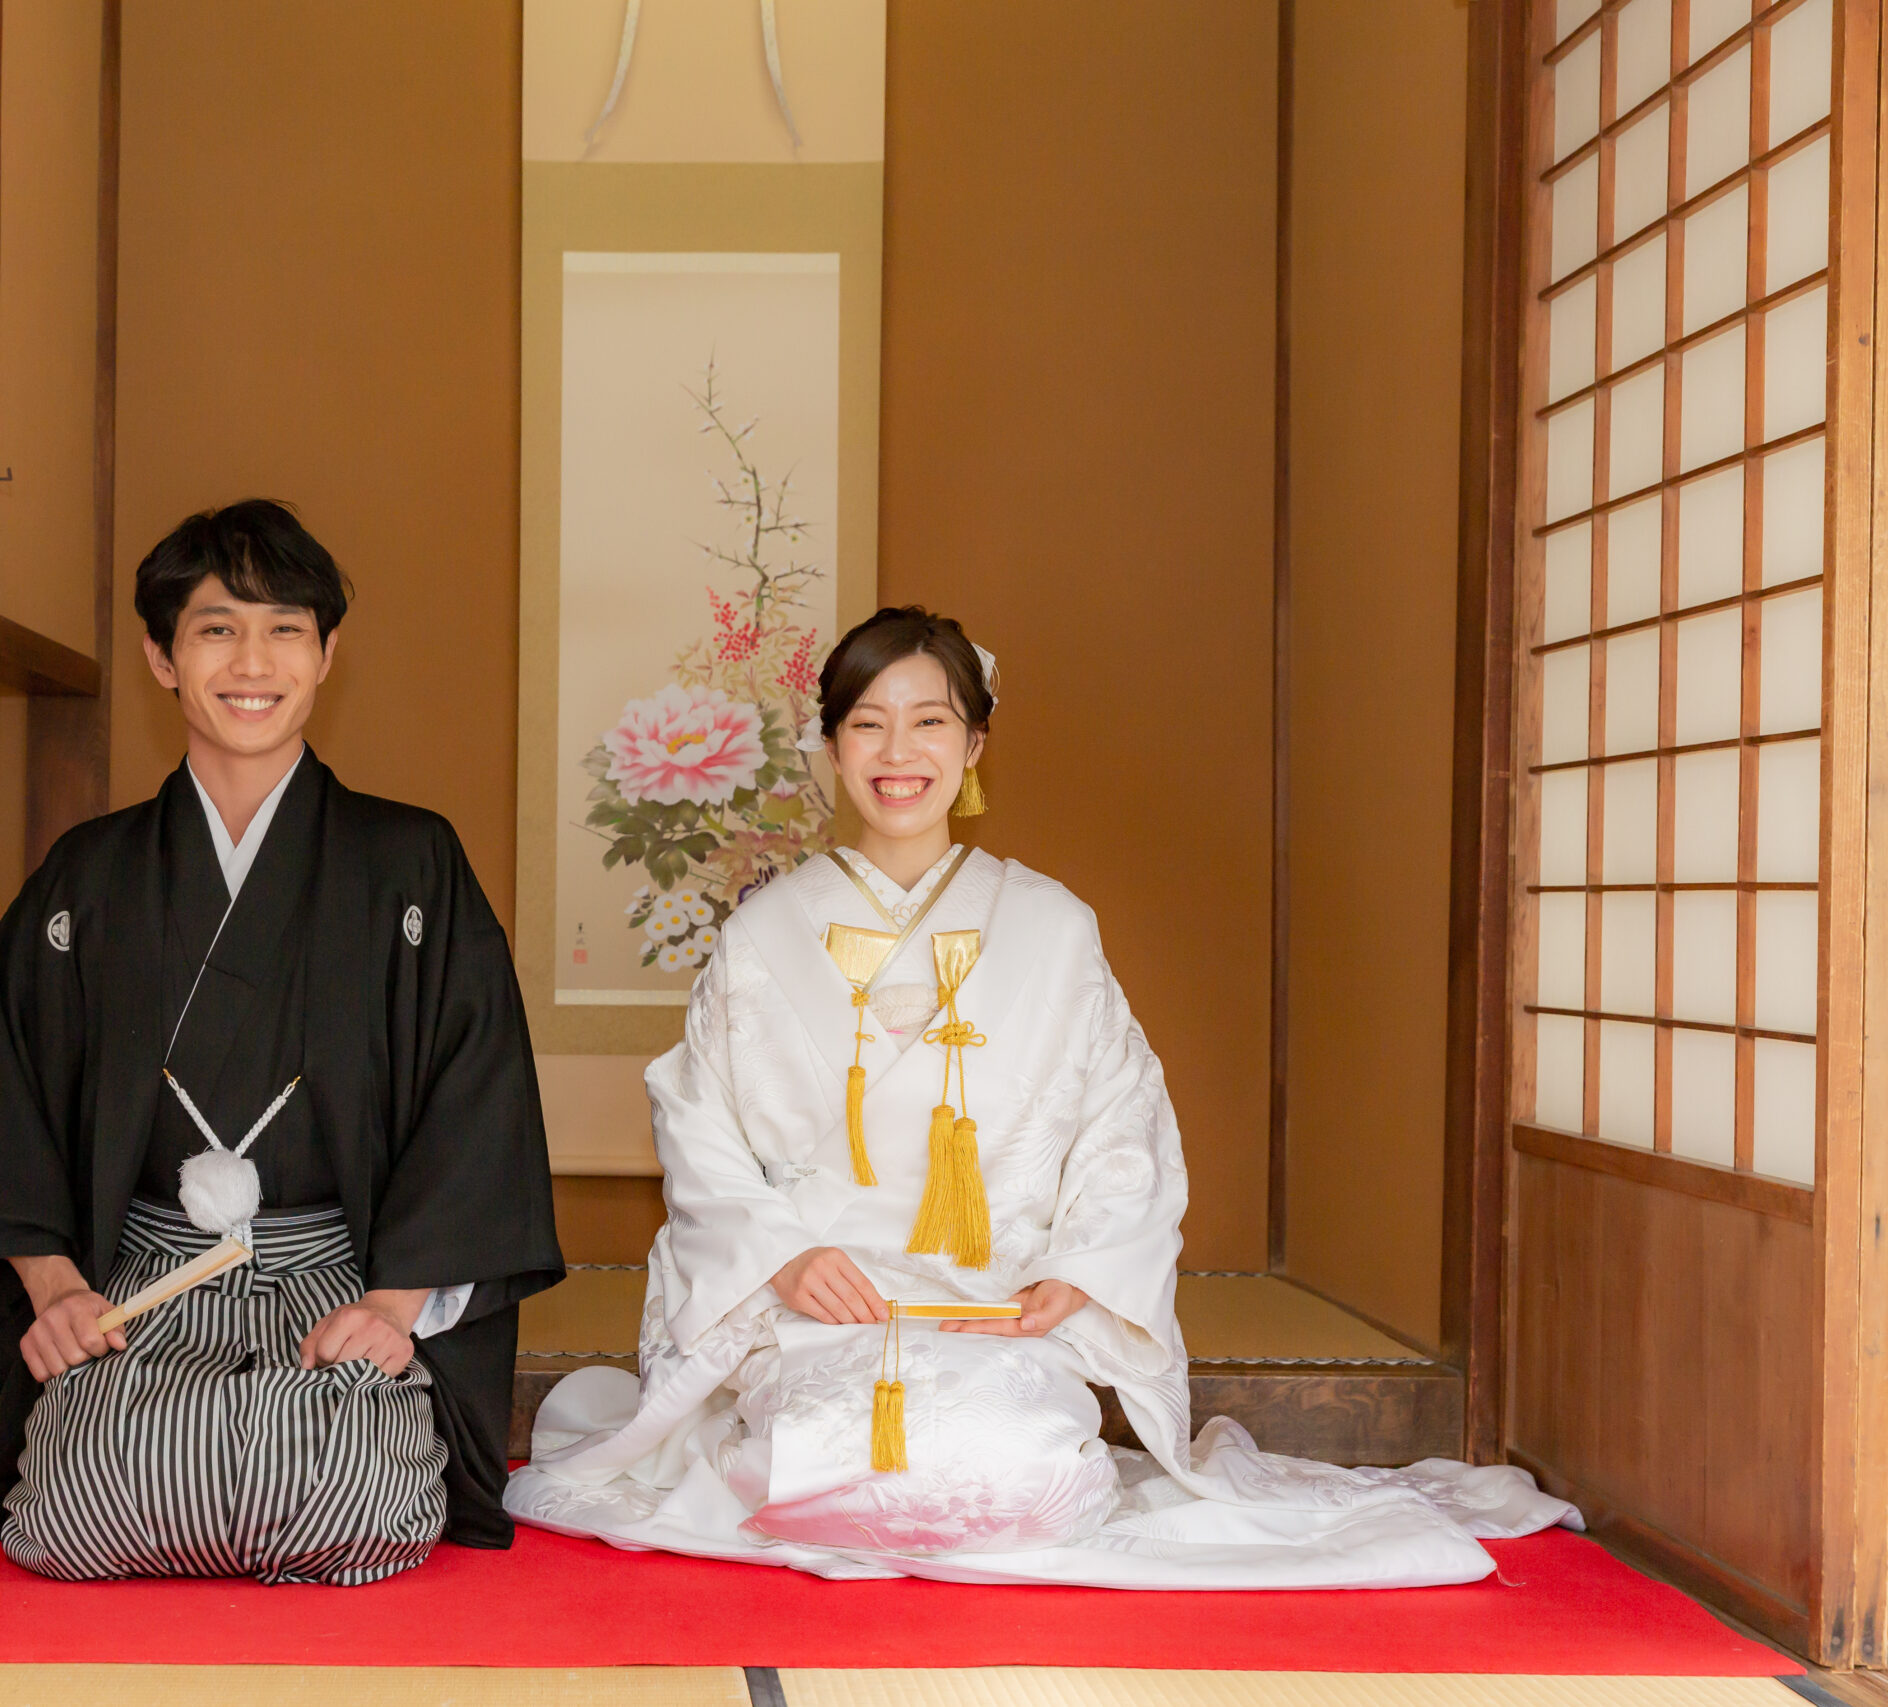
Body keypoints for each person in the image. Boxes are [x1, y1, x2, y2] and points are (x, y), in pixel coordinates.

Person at [505, 606, 1573, 1588]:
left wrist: (1081, 1270)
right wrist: (781, 1254)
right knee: (815, 1469)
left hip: (995, 1312)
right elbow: (698, 1122)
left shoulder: (1051, 926)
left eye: (930, 722)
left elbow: (1121, 1119)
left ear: (974, 744)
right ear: (829, 746)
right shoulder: (762, 935)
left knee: (1019, 1476)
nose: (897, 752)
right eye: (867, 724)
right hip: (820, 1315)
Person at [0, 499, 562, 1586]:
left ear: (327, 653)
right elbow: (2, 1100)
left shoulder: (410, 863)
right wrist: (55, 1290)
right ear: (162, 657)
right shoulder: (89, 876)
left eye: (284, 629)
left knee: (352, 1499)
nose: (252, 663)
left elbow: (473, 1102)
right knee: (86, 1502)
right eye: (216, 629)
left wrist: (394, 1309)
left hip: (336, 1282)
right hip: (137, 1285)